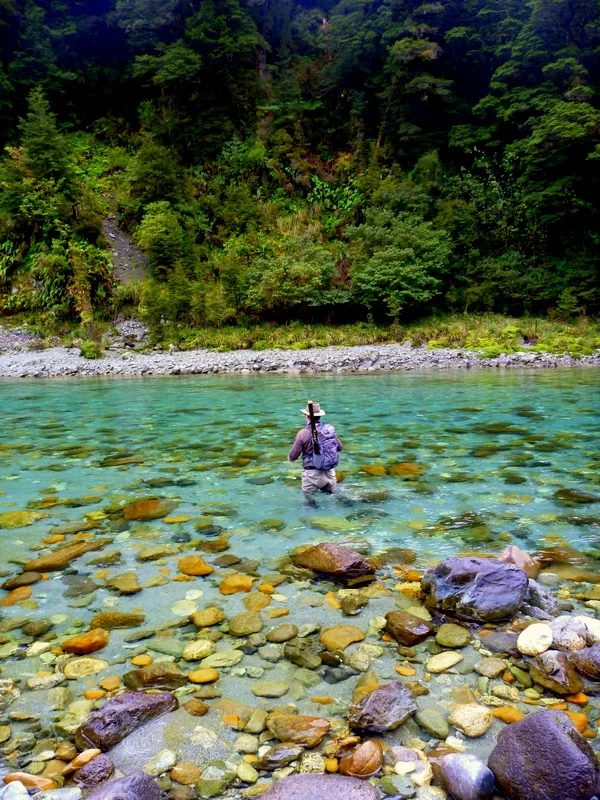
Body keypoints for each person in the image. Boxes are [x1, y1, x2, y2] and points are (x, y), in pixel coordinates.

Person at [288, 401, 343, 504]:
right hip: (329, 473)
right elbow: (340, 448)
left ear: (306, 416)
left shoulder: (303, 433)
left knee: (309, 503)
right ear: (319, 416)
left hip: (311, 475)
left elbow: (293, 456)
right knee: (332, 500)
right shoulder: (328, 430)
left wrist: (290, 458)